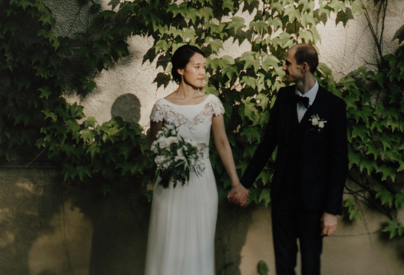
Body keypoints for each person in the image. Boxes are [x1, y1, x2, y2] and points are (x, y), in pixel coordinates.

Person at [229, 43, 347, 275]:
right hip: (283, 198)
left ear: (304, 67)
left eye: (287, 64)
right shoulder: (283, 98)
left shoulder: (333, 106)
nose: (283, 68)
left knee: (311, 266)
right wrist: (244, 183)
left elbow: (339, 161)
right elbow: (267, 144)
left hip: (313, 202)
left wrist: (331, 210)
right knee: (283, 265)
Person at [144, 44, 246, 275]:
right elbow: (154, 146)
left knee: (198, 245)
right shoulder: (162, 107)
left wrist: (236, 183)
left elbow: (221, 144)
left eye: (204, 67)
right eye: (196, 67)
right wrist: (169, 156)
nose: (202, 73)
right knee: (168, 243)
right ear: (180, 70)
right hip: (170, 186)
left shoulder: (211, 103)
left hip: (202, 185)